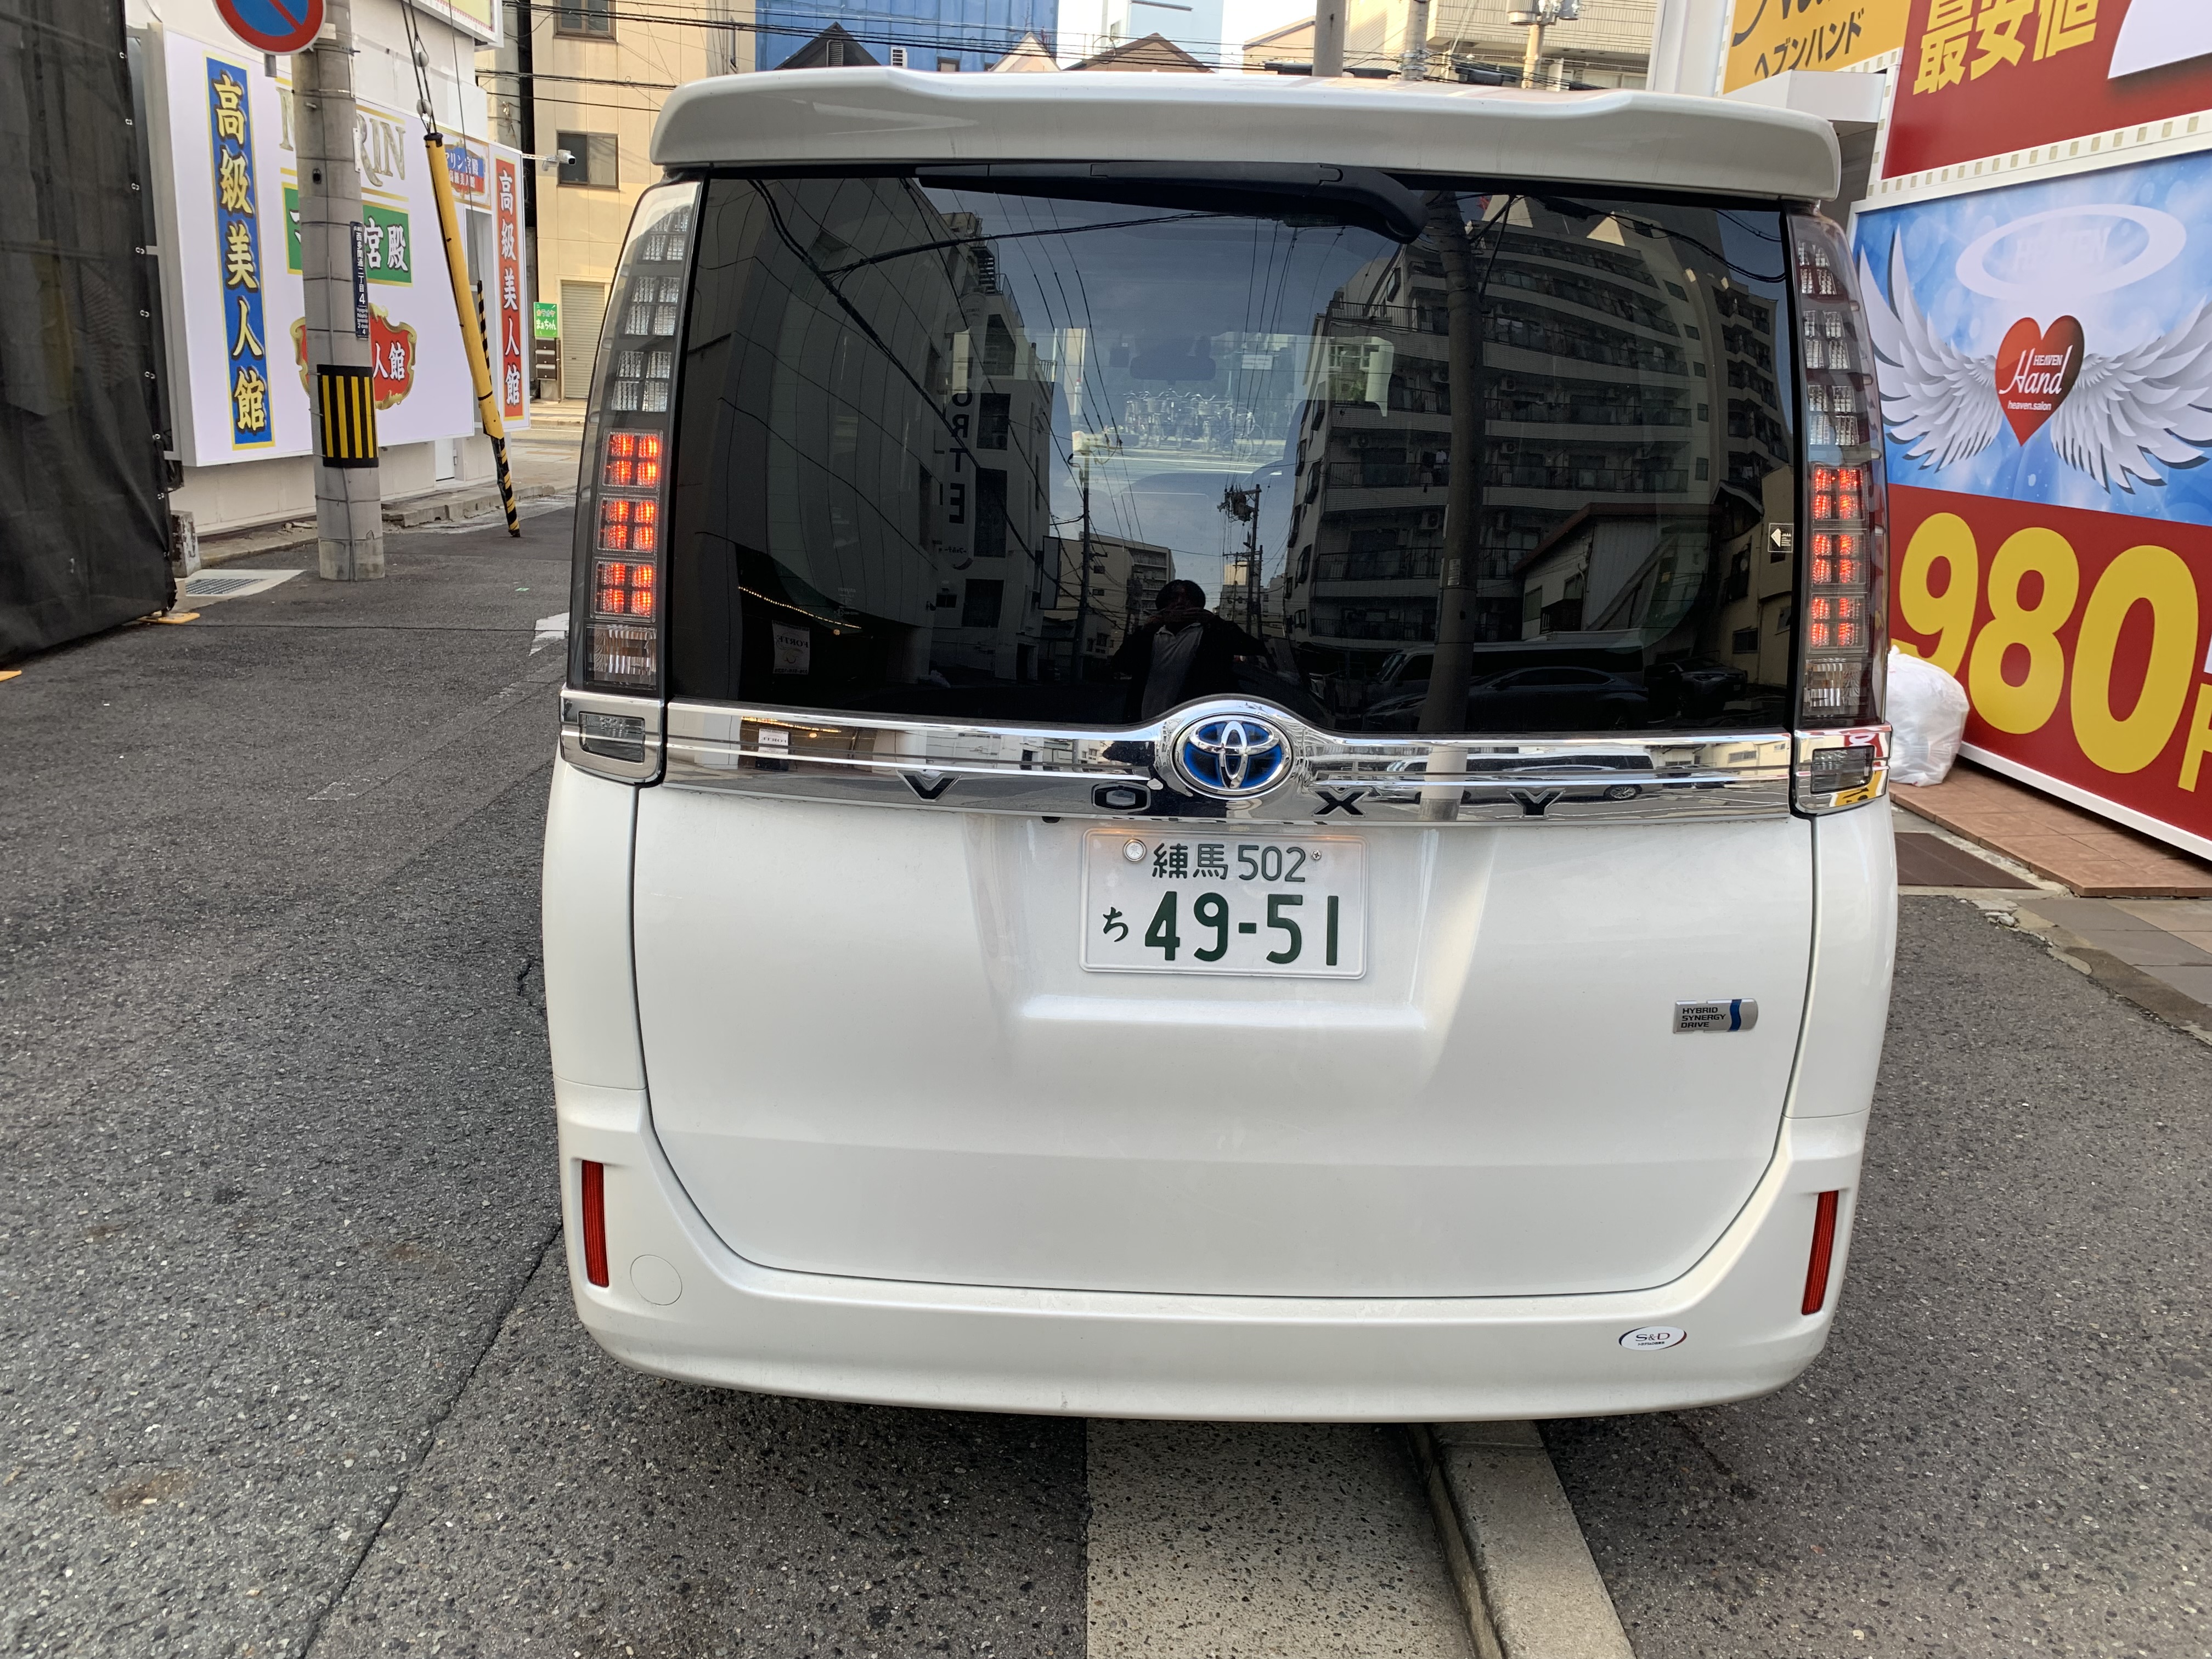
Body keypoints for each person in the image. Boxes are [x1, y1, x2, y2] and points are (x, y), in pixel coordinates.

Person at [1107, 580, 1265, 723]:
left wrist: (1215, 621)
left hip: (1194, 728)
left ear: (1198, 606)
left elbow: (1253, 647)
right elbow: (1120, 665)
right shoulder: (1149, 635)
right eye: (1173, 598)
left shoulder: (1212, 635)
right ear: (1163, 606)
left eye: (1189, 599)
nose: (1180, 603)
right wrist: (1144, 631)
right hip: (1142, 725)